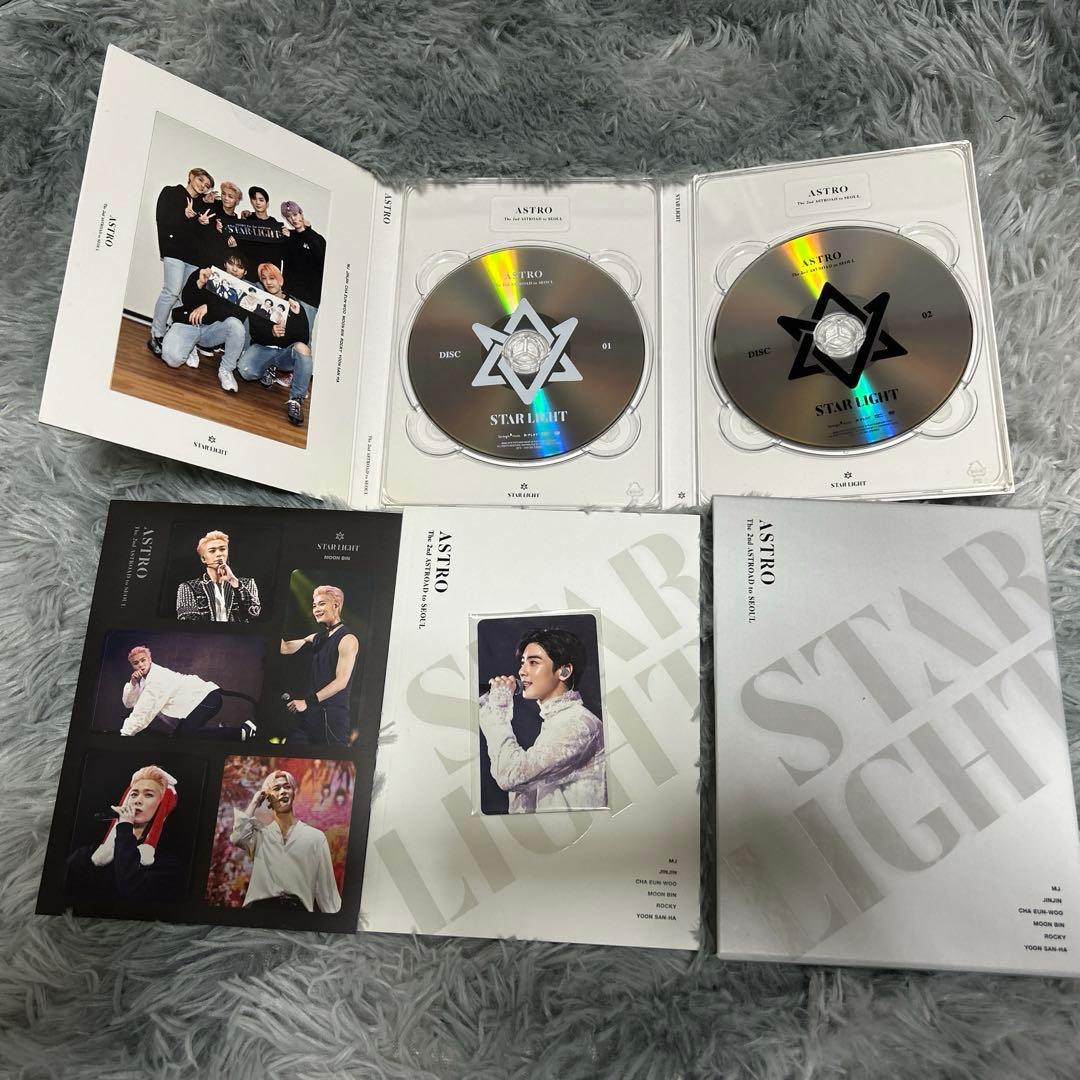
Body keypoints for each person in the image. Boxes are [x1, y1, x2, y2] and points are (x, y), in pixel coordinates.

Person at [479, 626, 607, 813]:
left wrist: (499, 710)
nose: (521, 671)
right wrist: (486, 705)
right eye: (522, 662)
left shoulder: (580, 724)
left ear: (564, 671)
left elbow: (510, 775)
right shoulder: (558, 721)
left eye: (533, 662)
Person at [64, 765, 183, 903]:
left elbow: (130, 889)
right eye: (134, 794)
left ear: (162, 805)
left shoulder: (166, 864)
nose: (137, 800)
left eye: (148, 795)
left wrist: (125, 827)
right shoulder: (86, 855)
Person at [229, 769, 341, 912]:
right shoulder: (260, 834)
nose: (283, 791)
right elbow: (237, 837)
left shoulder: (315, 837)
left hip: (297, 912)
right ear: (268, 798)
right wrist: (255, 801)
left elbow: (328, 893)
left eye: (287, 787)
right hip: (259, 910)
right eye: (276, 788)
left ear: (293, 793)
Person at [119, 645, 257, 740]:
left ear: (150, 659)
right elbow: (129, 703)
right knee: (180, 738)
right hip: (200, 701)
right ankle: (222, 732)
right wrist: (133, 683)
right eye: (136, 663)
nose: (140, 665)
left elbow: (143, 712)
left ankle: (242, 731)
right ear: (132, 666)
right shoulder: (143, 681)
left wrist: (125, 735)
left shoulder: (156, 678)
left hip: (207, 698)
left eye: (143, 660)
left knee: (187, 735)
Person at [149, 167, 216, 357]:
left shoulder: (203, 204)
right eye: (201, 180)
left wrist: (203, 224)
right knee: (171, 291)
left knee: (183, 297)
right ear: (191, 176)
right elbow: (162, 220)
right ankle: (156, 333)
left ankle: (171, 331)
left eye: (207, 185)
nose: (203, 186)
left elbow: (202, 237)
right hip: (175, 252)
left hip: (194, 258)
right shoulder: (171, 192)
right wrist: (183, 215)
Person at [159, 252, 251, 392]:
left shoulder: (245, 291)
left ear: (245, 272)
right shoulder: (208, 272)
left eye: (239, 267)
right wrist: (200, 283)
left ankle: (226, 370)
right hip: (189, 323)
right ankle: (189, 346)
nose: (234, 269)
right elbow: (187, 300)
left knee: (236, 326)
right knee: (172, 359)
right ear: (225, 264)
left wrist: (209, 307)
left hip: (211, 331)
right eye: (231, 264)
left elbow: (238, 316)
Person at [280, 586, 358, 745]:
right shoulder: (317, 637)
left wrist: (307, 702)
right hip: (309, 714)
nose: (316, 609)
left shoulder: (348, 639)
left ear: (336, 605)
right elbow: (285, 648)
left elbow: (341, 681)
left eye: (322, 604)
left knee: (327, 759)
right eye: (314, 605)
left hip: (331, 717)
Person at [237, 263, 312, 426]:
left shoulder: (294, 304)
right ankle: (268, 368)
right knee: (245, 371)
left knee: (304, 349)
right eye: (264, 279)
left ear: (280, 280)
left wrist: (295, 318)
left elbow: (303, 339)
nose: (268, 282)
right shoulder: (259, 300)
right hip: (264, 349)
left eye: (272, 278)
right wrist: (271, 332)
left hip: (284, 354)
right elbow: (255, 334)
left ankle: (296, 399)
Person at [176, 530, 261, 622]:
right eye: (212, 551)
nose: (219, 554)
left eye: (222, 549)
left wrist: (233, 581)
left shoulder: (247, 583)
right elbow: (188, 622)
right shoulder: (188, 587)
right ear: (203, 559)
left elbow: (254, 615)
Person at [280, 200, 326, 335]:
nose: (293, 219)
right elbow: (286, 259)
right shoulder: (289, 236)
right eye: (288, 217)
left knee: (305, 336)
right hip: (290, 295)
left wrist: (308, 231)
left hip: (309, 298)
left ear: (301, 214)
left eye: (295, 214)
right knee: (286, 334)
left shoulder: (316, 238)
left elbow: (320, 259)